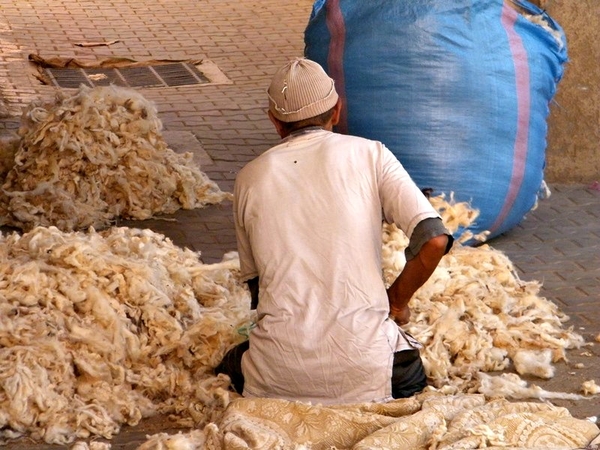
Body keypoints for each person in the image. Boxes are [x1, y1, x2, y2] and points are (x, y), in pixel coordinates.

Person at [216, 57, 453, 405]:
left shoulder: (249, 177)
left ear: (275, 123)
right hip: (370, 366)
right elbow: (434, 239)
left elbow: (259, 291)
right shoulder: (372, 155)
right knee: (408, 375)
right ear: (338, 110)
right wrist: (397, 301)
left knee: (228, 363)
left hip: (276, 373)